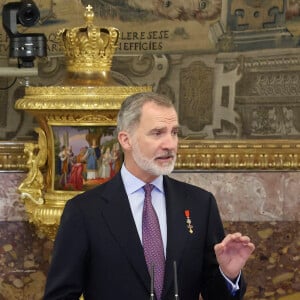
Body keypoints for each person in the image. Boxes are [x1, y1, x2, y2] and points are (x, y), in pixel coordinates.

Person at [44, 92, 255, 300]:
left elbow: (216, 294)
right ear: (126, 140)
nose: (170, 144)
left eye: (174, 132)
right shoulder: (84, 211)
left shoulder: (200, 204)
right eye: (158, 133)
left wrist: (228, 274)